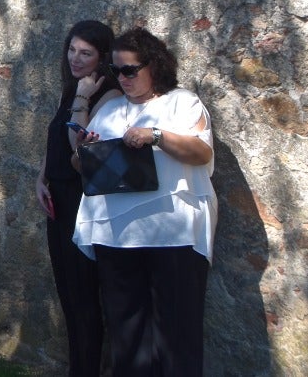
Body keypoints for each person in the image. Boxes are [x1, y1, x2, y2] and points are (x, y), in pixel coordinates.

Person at [72, 28, 216, 377]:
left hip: (173, 236)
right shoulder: (109, 111)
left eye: (130, 70)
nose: (122, 79)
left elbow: (202, 153)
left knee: (177, 338)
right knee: (128, 338)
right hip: (117, 236)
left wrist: (156, 136)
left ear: (154, 66)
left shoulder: (183, 103)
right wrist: (86, 150)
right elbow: (82, 168)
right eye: (116, 70)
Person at [34, 20, 117, 377]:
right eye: (72, 49)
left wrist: (84, 95)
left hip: (83, 202)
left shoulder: (108, 94)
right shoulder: (70, 88)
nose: (76, 58)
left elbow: (78, 148)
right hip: (57, 199)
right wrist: (41, 178)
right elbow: (54, 137)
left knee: (84, 297)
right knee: (67, 294)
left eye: (86, 53)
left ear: (103, 57)